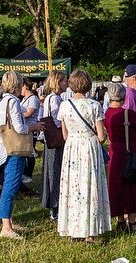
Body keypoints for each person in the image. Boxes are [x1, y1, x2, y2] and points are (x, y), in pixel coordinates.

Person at [57, 69, 111, 242]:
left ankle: (74, 229)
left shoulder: (64, 105)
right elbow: (101, 136)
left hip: (72, 148)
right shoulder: (94, 105)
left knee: (73, 188)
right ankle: (90, 231)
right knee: (90, 186)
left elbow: (64, 135)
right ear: (88, 84)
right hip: (89, 147)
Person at [0, 71, 44, 239]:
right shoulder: (14, 102)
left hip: (5, 147)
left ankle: (8, 221)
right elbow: (20, 128)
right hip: (14, 148)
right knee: (11, 186)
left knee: (9, 183)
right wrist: (34, 126)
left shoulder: (3, 101)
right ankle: (6, 227)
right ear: (17, 84)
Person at [105, 82, 136, 232]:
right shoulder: (127, 114)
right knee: (133, 186)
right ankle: (132, 222)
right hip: (130, 152)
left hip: (114, 153)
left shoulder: (106, 114)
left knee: (117, 187)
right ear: (124, 96)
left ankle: (119, 221)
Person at [41, 71, 67, 220]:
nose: (66, 84)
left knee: (53, 171)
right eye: (64, 81)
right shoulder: (55, 99)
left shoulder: (53, 98)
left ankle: (54, 204)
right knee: (55, 172)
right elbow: (57, 121)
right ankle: (55, 206)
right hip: (55, 141)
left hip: (51, 141)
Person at [19, 78, 41, 185]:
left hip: (31, 128)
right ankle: (24, 173)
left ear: (26, 86)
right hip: (25, 128)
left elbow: (29, 113)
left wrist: (16, 116)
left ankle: (29, 174)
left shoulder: (33, 99)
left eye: (21, 86)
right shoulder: (24, 99)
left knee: (30, 152)